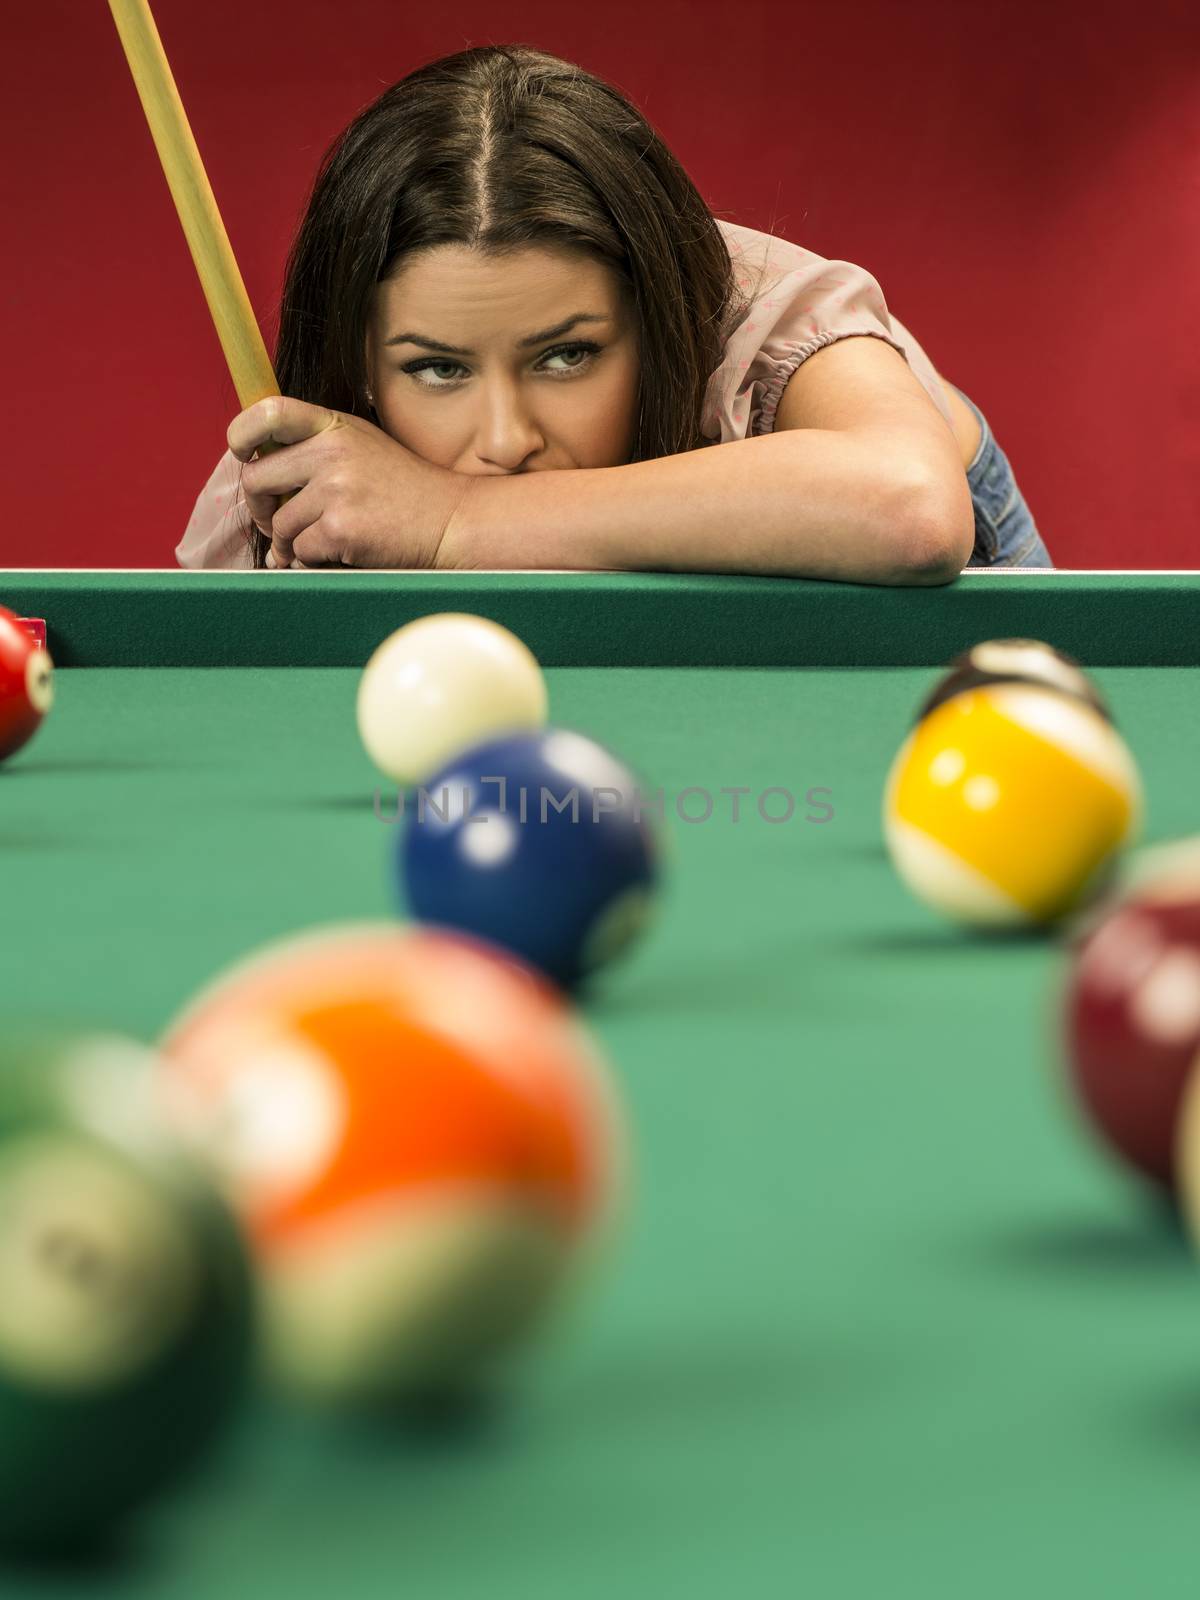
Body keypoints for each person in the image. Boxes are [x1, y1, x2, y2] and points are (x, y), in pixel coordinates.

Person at [177, 44, 1053, 580]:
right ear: (360, 365)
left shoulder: (758, 312)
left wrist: (453, 519)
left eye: (566, 356)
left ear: (659, 315)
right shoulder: (311, 455)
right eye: (438, 368)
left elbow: (912, 511)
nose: (506, 438)